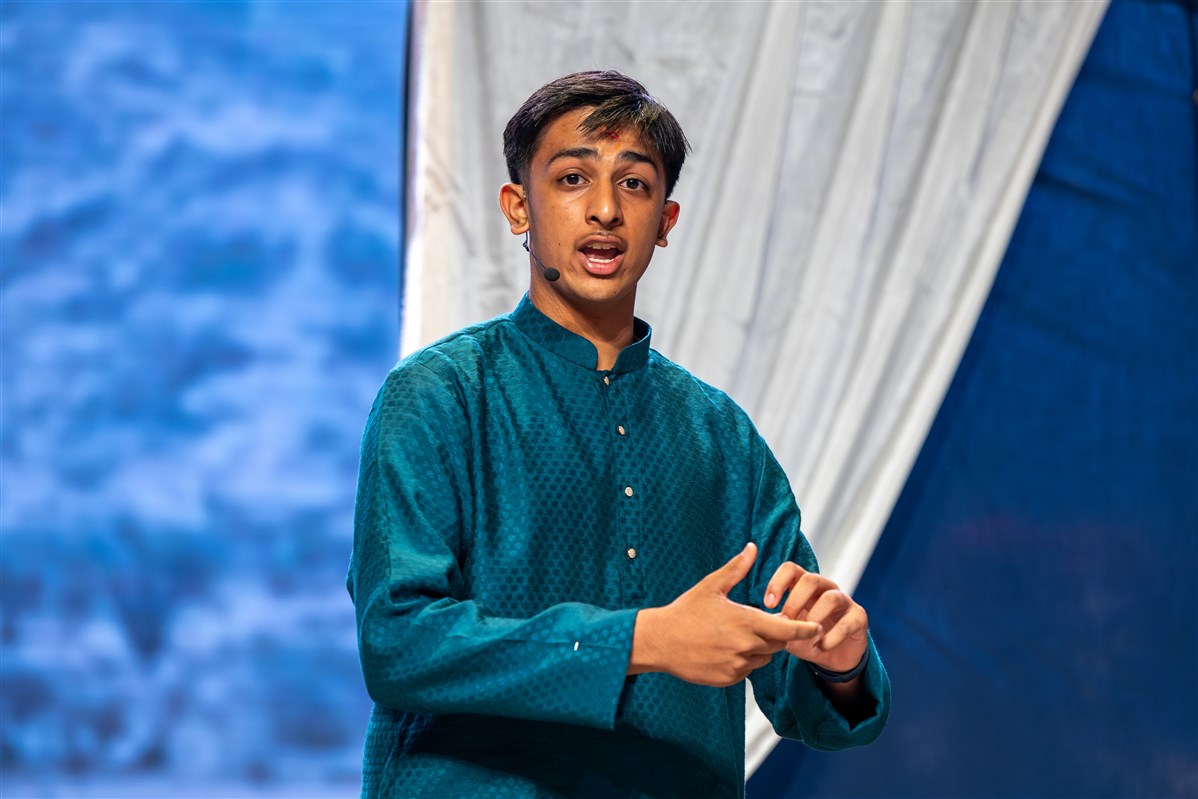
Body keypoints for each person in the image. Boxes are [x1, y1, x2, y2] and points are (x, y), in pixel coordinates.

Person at [348, 71, 890, 798]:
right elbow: (399, 641)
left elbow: (813, 700)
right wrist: (642, 641)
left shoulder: (720, 437)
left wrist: (840, 660)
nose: (605, 210)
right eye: (573, 178)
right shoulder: (439, 397)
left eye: (634, 185)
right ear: (518, 206)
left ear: (665, 222)